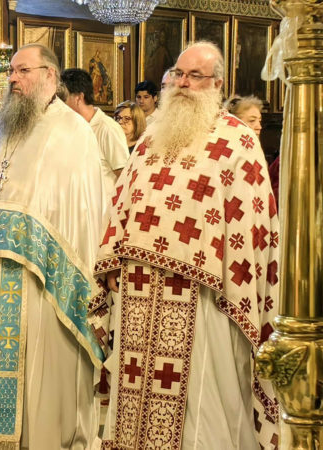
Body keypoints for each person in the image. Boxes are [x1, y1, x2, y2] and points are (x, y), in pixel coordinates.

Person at [91, 42, 280, 449]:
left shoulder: (237, 141)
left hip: (204, 295)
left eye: (195, 76)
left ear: (217, 84)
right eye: (178, 74)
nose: (183, 83)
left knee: (200, 400)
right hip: (139, 289)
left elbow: (253, 223)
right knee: (136, 392)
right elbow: (122, 201)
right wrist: (112, 260)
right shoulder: (150, 138)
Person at [0, 44, 107, 449]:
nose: (13, 79)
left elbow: (82, 211)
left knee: (45, 365)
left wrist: (36, 244)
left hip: (45, 277)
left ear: (50, 76)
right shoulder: (1, 128)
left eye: (23, 70)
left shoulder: (73, 132)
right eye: (12, 71)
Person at [61, 68, 129, 193]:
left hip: (103, 204)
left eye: (63, 98)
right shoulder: (68, 126)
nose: (60, 104)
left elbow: (125, 176)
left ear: (78, 98)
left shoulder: (107, 128)